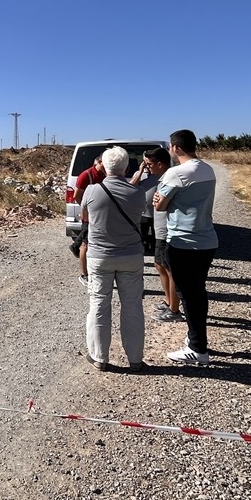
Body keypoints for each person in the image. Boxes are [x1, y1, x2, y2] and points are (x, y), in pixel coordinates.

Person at [153, 129, 218, 365]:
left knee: (189, 297)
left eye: (171, 147)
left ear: (176, 148)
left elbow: (159, 205)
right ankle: (197, 341)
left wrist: (162, 201)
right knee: (197, 293)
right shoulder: (207, 169)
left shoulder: (176, 174)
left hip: (183, 242)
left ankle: (197, 348)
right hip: (207, 241)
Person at [81, 146, 147, 372]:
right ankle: (135, 359)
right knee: (132, 307)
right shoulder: (137, 193)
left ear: (104, 167)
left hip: (100, 257)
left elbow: (85, 216)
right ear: (127, 167)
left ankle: (99, 357)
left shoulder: (91, 191)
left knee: (99, 305)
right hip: (131, 256)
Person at [138, 147, 183, 323]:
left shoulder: (170, 179)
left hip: (166, 230)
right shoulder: (163, 178)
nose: (147, 167)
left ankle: (174, 309)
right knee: (159, 265)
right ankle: (168, 300)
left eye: (149, 164)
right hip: (160, 229)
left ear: (160, 164)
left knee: (169, 269)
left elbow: (160, 204)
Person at [70, 155, 106, 288]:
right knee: (85, 244)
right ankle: (84, 275)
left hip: (100, 216)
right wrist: (87, 210)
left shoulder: (104, 175)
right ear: (100, 162)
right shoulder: (86, 175)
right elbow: (76, 196)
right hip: (89, 216)